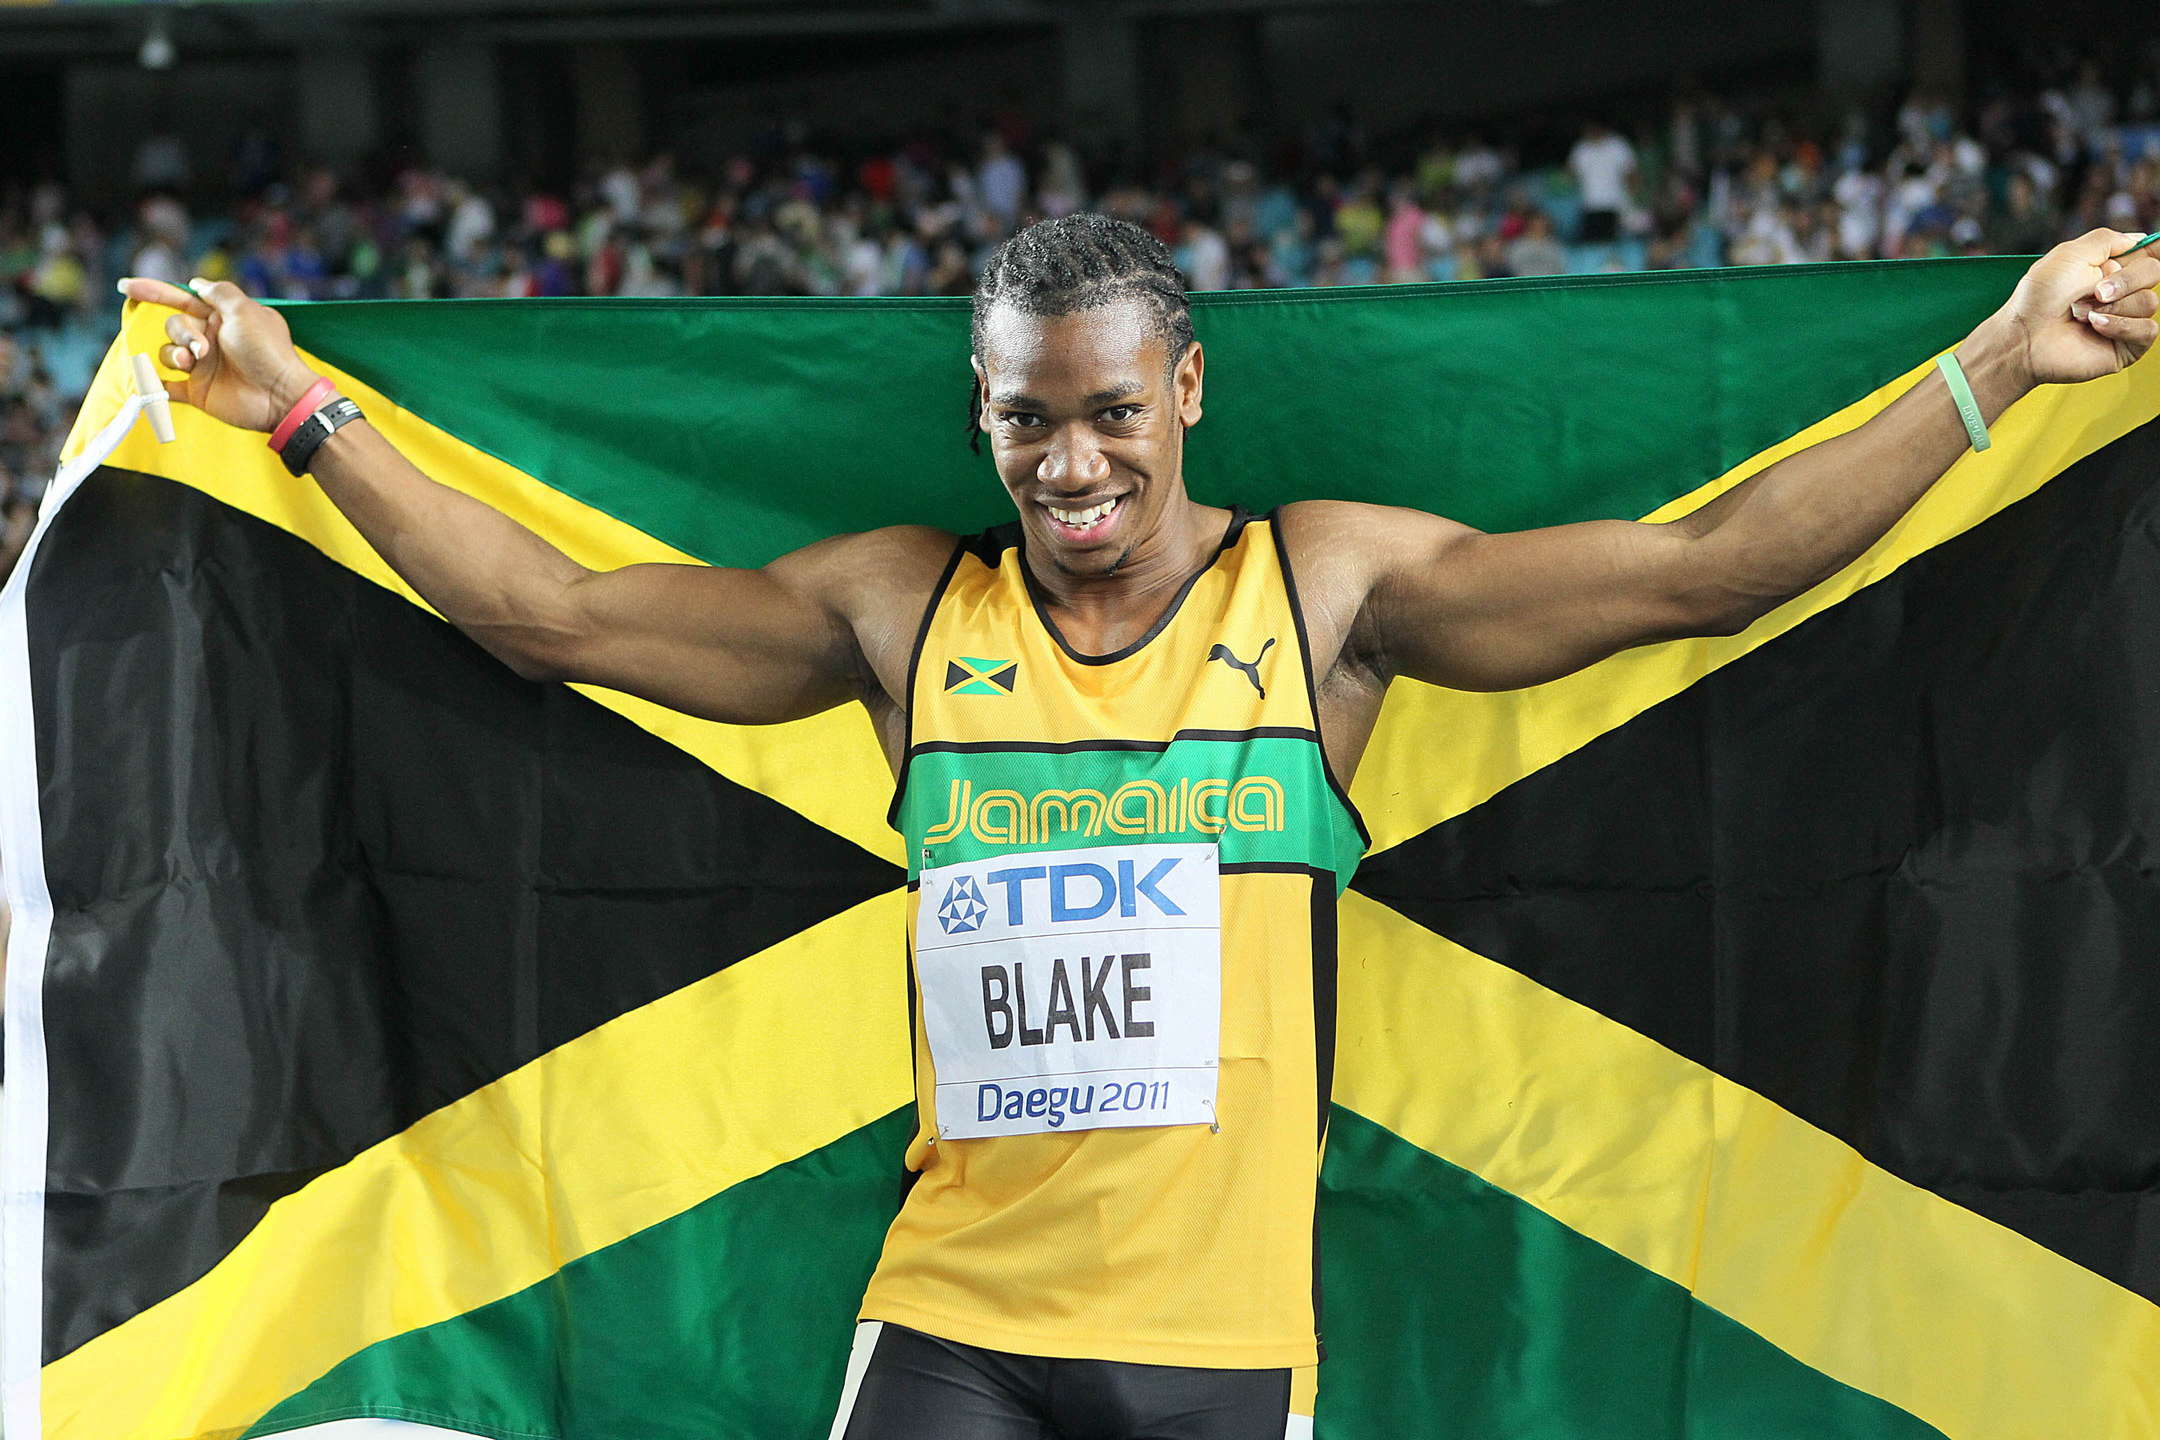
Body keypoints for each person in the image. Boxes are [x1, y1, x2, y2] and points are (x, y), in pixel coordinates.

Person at [118, 213, 2157, 1439]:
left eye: (1110, 409)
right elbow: (556, 622)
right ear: (982, 414)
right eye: (1027, 417)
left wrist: (2001, 358)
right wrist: (300, 409)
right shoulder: (905, 614)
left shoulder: (1326, 595)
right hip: (955, 1323)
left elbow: (1705, 574)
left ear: (1185, 389)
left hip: (1223, 1350)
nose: (1072, 459)